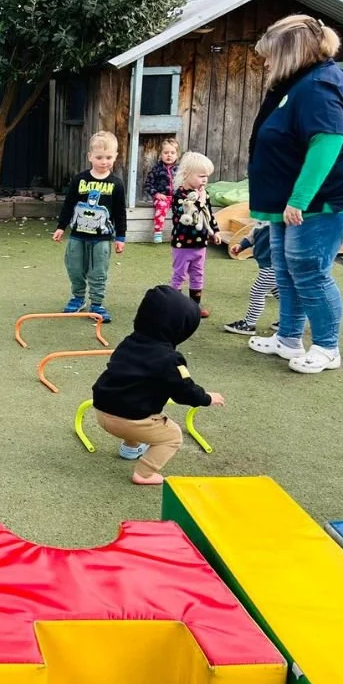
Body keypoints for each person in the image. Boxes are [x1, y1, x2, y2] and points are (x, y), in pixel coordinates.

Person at [246, 15, 343, 374]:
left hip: (325, 199)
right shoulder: (298, 81)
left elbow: (326, 144)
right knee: (285, 268)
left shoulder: (320, 87)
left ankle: (327, 347)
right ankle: (288, 338)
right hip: (287, 198)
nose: (267, 62)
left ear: (291, 53)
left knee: (309, 269)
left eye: (271, 55)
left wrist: (298, 200)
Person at [91, 285, 225, 486]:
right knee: (172, 436)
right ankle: (144, 474)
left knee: (134, 398)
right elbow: (184, 391)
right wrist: (206, 398)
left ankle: (130, 449)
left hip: (101, 411)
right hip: (130, 421)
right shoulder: (170, 359)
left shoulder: (129, 341)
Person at [51, 131, 127, 322]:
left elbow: (120, 212)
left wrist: (120, 237)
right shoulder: (80, 180)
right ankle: (77, 298)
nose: (104, 161)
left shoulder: (116, 184)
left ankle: (97, 304)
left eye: (109, 157)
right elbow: (69, 205)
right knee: (74, 267)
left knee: (98, 271)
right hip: (78, 235)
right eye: (99, 157)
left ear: (115, 156)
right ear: (90, 157)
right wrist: (61, 226)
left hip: (102, 238)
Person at [168, 152, 221, 318]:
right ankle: (174, 306)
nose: (205, 180)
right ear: (186, 174)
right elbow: (183, 218)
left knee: (198, 274)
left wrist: (215, 231)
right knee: (179, 275)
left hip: (200, 244)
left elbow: (208, 214)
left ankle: (194, 307)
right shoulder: (180, 196)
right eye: (201, 176)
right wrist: (200, 200)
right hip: (183, 244)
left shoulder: (204, 194)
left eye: (207, 176)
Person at [223, 222, 279, 336]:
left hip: (273, 264)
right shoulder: (261, 220)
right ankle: (289, 320)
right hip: (268, 263)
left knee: (257, 292)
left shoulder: (277, 220)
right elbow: (252, 235)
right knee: (278, 292)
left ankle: (249, 324)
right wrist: (241, 245)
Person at [144, 138, 180, 244]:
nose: (169, 155)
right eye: (166, 152)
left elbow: (184, 184)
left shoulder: (179, 170)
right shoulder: (156, 169)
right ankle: (158, 232)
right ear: (161, 154)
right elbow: (148, 184)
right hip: (162, 198)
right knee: (161, 206)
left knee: (182, 210)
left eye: (172, 153)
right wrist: (156, 194)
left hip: (176, 197)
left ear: (177, 155)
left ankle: (178, 233)